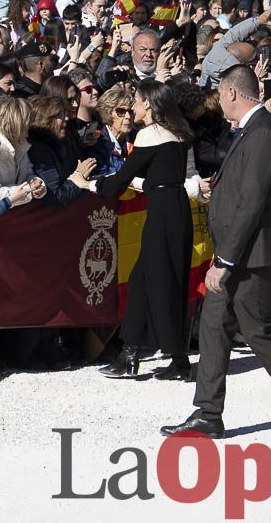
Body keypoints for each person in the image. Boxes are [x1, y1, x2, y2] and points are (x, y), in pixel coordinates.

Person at [161, 65, 271, 439]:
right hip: (240, 251)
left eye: (220, 95)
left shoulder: (262, 133)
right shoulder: (252, 131)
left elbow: (252, 202)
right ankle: (207, 413)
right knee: (213, 326)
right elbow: (243, 188)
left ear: (233, 93)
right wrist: (216, 189)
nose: (218, 103)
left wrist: (224, 261)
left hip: (249, 256)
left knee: (257, 331)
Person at [75, 80, 199, 380]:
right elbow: (157, 180)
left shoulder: (148, 134)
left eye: (138, 100)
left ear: (149, 104)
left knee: (157, 281)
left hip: (162, 216)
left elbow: (119, 181)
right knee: (148, 280)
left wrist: (87, 183)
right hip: (175, 209)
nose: (133, 106)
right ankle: (136, 354)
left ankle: (168, 358)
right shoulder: (176, 134)